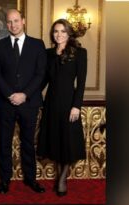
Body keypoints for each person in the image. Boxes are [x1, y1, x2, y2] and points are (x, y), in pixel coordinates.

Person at [0, 9, 47, 194]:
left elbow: (40, 74)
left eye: (16, 20)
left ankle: (31, 179)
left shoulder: (38, 45)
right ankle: (4, 180)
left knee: (28, 142)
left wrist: (24, 94)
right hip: (5, 103)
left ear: (23, 20)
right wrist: (9, 94)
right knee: (4, 142)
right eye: (9, 22)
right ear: (6, 24)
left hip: (29, 103)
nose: (13, 25)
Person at [37, 19, 87, 196]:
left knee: (67, 141)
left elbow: (81, 84)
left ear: (69, 33)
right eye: (56, 31)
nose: (59, 34)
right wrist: (27, 93)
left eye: (63, 31)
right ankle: (60, 175)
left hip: (69, 103)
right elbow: (42, 80)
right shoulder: (48, 53)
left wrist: (76, 106)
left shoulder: (80, 53)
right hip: (51, 102)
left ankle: (62, 178)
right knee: (56, 140)